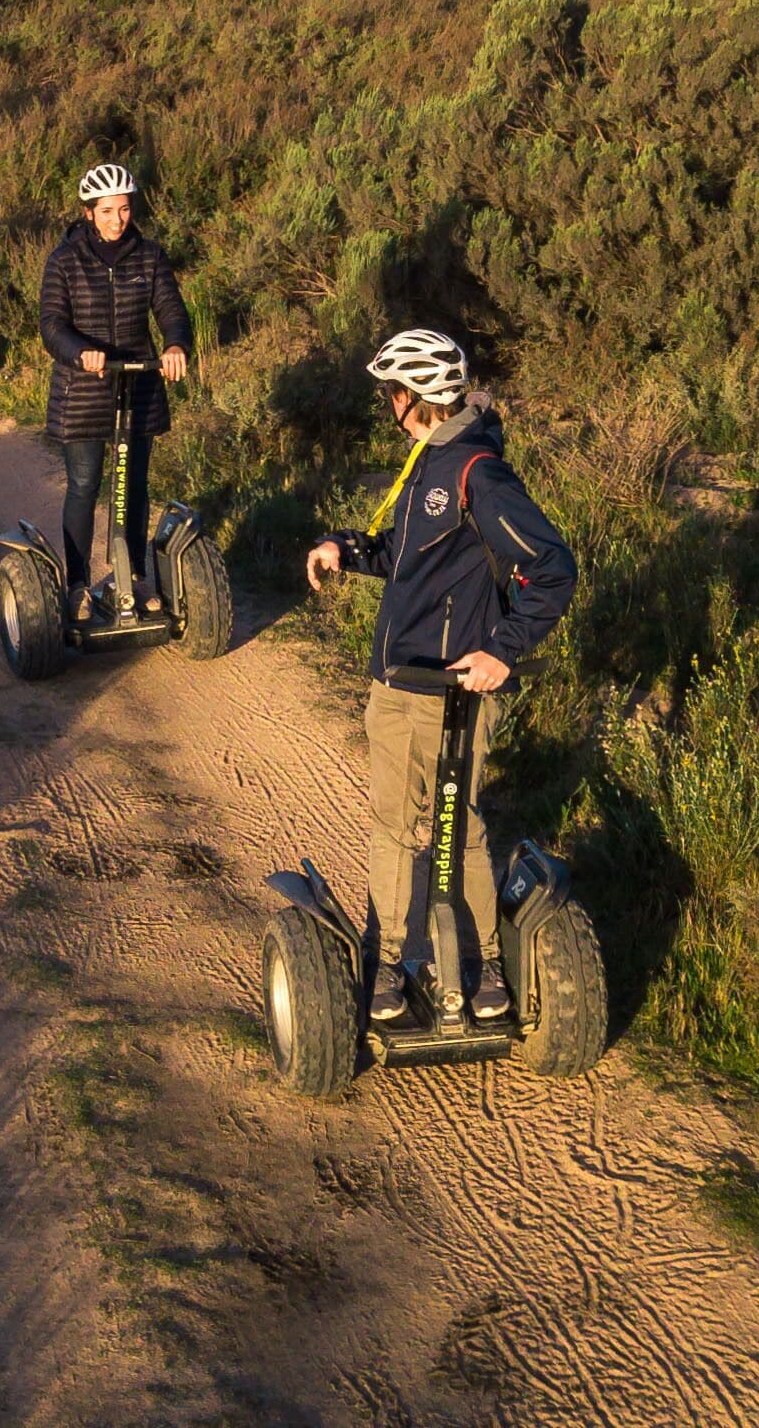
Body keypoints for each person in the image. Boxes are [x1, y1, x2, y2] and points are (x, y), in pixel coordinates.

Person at [304, 329, 577, 1026]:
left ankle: (482, 968)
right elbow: (411, 555)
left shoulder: (477, 470)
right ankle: (391, 966)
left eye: (389, 393)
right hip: (398, 682)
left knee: (463, 830)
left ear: (409, 397)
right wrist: (347, 549)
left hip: (455, 690)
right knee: (396, 827)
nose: (385, 405)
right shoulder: (428, 460)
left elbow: (553, 566)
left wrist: (504, 651)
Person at [38, 163, 192, 627]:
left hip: (138, 381)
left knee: (133, 485)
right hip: (83, 387)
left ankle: (133, 579)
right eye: (107, 211)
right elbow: (51, 325)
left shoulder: (149, 255)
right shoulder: (64, 261)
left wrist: (175, 345)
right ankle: (78, 585)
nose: (117, 220)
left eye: (124, 209)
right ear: (88, 212)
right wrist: (80, 352)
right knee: (85, 484)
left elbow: (171, 308)